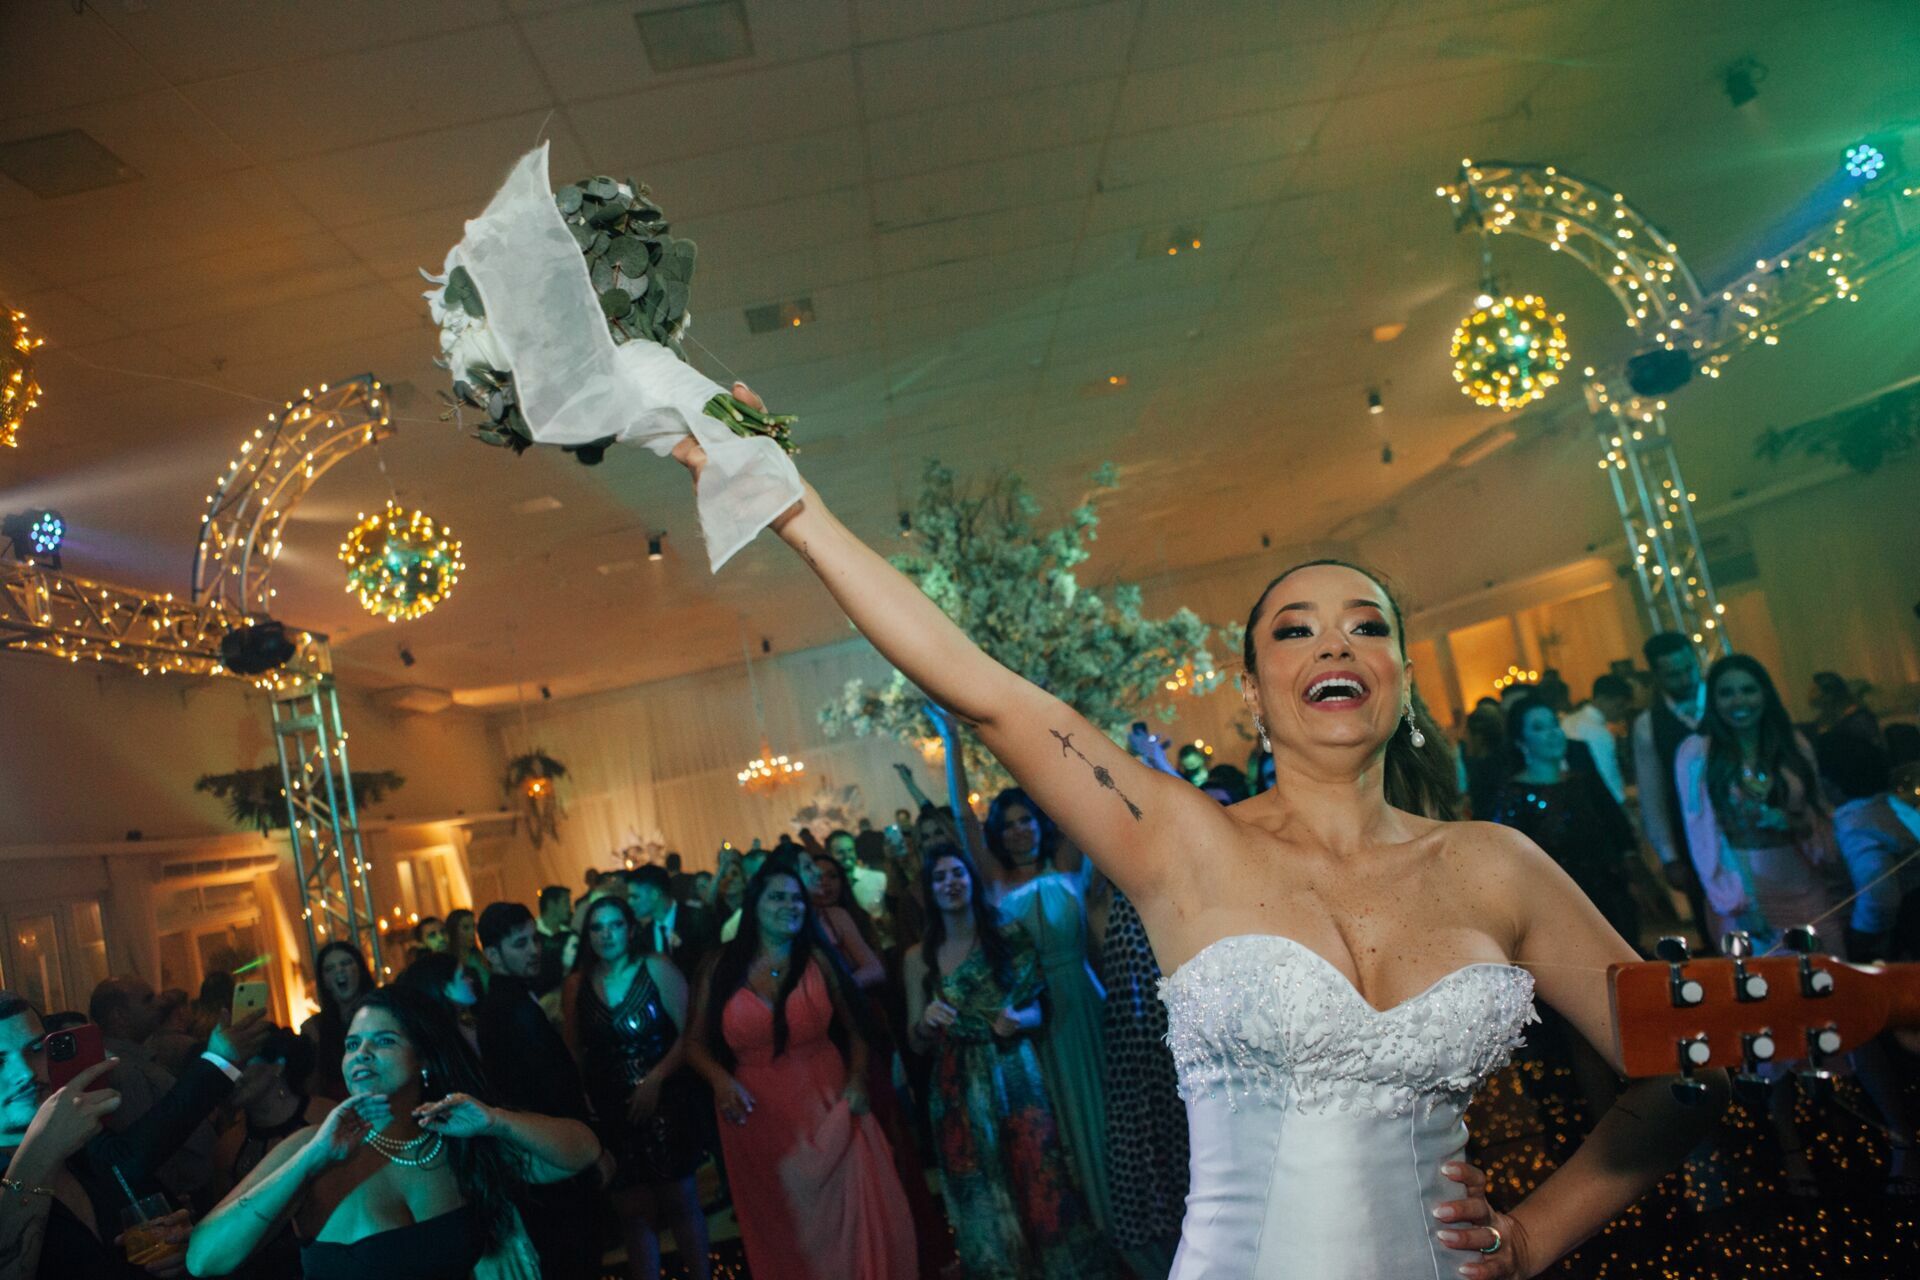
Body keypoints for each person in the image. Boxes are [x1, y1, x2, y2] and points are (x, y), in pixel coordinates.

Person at [674, 409, 1719, 1276]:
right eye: (1296, 628)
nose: (1335, 642)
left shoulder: (1498, 864)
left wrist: (1533, 1235)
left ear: (1402, 677)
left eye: (1367, 624)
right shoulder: (1181, 840)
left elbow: (1678, 1070)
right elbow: (980, 685)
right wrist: (790, 505)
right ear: (1255, 689)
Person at [187, 987, 600, 1279]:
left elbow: (582, 1152)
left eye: (382, 1041)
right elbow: (204, 1261)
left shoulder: (453, 1142)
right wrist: (310, 1161)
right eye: (352, 1045)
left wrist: (495, 1120)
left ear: (424, 1058)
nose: (361, 1055)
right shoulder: (312, 1147)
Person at [686, 857, 915, 1280]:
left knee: (847, 1227)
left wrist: (858, 1080)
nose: (789, 905)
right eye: (777, 897)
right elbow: (694, 1045)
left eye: (796, 899)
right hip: (756, 1116)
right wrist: (720, 1080)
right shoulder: (719, 968)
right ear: (754, 904)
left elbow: (858, 1030)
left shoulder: (819, 960)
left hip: (828, 1104)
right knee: (787, 1231)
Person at [904, 845, 1113, 1279]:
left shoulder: (1006, 933)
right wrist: (925, 1022)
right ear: (928, 890)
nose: (950, 883)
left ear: (971, 880)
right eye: (940, 877)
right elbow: (916, 1041)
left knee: (1037, 1174)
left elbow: (1041, 1009)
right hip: (956, 1086)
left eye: (957, 873)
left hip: (1013, 1073)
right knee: (980, 1187)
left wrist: (1019, 1018)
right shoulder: (915, 958)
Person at [1, 990, 262, 1279]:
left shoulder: (83, 1145)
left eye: (36, 1049)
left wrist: (181, 1243)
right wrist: (41, 1152)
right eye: (0, 1061)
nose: (24, 1072)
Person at [976, 785, 1113, 1234]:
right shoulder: (996, 882)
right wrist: (952, 742)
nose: (1019, 831)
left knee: (1110, 1109)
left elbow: (1071, 797)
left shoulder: (1066, 864)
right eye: (1009, 824)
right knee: (1060, 1122)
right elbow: (961, 821)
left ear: (1040, 821)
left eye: (1026, 820)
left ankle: (1124, 1215)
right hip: (1038, 1018)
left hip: (1087, 1002)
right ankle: (1088, 1231)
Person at [561, 896, 709, 1280]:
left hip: (666, 1101)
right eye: (597, 927)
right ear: (587, 934)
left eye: (614, 925)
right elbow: (574, 1052)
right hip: (613, 1109)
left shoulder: (656, 967)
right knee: (633, 1212)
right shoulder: (577, 985)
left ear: (630, 929)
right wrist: (586, 1103)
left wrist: (656, 1078)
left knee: (680, 1203)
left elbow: (691, 1031)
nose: (606, 934)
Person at [476, 902, 604, 1280]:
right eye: (520, 944)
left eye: (534, 939)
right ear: (493, 955)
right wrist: (590, 1149)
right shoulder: (508, 1010)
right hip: (549, 1162)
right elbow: (548, 1091)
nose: (534, 949)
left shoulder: (513, 1001)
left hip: (545, 1157)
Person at [1492, 696, 1642, 947]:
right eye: (1539, 728)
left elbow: (1609, 829)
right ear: (1521, 741)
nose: (1552, 733)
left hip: (1608, 900)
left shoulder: (1580, 782)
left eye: (1554, 725)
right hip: (1558, 913)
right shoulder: (1514, 795)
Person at [90, 977, 225, 1209]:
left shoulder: (136, 1058)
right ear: (118, 1016)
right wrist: (172, 1197)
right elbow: (149, 1143)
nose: (160, 1004)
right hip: (187, 1199)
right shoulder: (123, 1070)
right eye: (147, 1000)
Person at [1631, 632, 1714, 943]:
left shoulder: (1723, 700)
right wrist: (1668, 855)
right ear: (1656, 675)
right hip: (1690, 836)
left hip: (1741, 828)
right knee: (1710, 921)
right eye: (1673, 674)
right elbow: (1652, 794)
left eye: (1688, 669)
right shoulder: (1648, 724)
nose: (1685, 679)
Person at [299, 943, 371, 1101]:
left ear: (360, 969)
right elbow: (312, 1087)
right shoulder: (314, 1028)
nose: (340, 971)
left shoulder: (383, 1012)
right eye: (329, 968)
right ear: (323, 980)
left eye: (346, 963)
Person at [624, 865, 718, 979]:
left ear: (654, 893)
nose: (630, 902)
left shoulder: (698, 920)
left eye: (635, 897)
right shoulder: (643, 935)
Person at [1561, 674, 1633, 805]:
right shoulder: (1599, 732)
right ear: (1602, 700)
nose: (1622, 712)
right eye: (1619, 705)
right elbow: (1608, 778)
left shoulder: (1569, 719)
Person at [390, 954, 481, 1057]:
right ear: (444, 988)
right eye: (463, 976)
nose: (470, 980)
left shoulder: (464, 1027)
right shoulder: (443, 1044)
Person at [533, 886, 576, 998]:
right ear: (551, 904)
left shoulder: (571, 937)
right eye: (566, 902)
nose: (569, 907)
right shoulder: (531, 936)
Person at [443, 910, 488, 994]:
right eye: (466, 928)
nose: (472, 932)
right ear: (453, 931)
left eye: (474, 927)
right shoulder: (450, 963)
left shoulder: (481, 958)